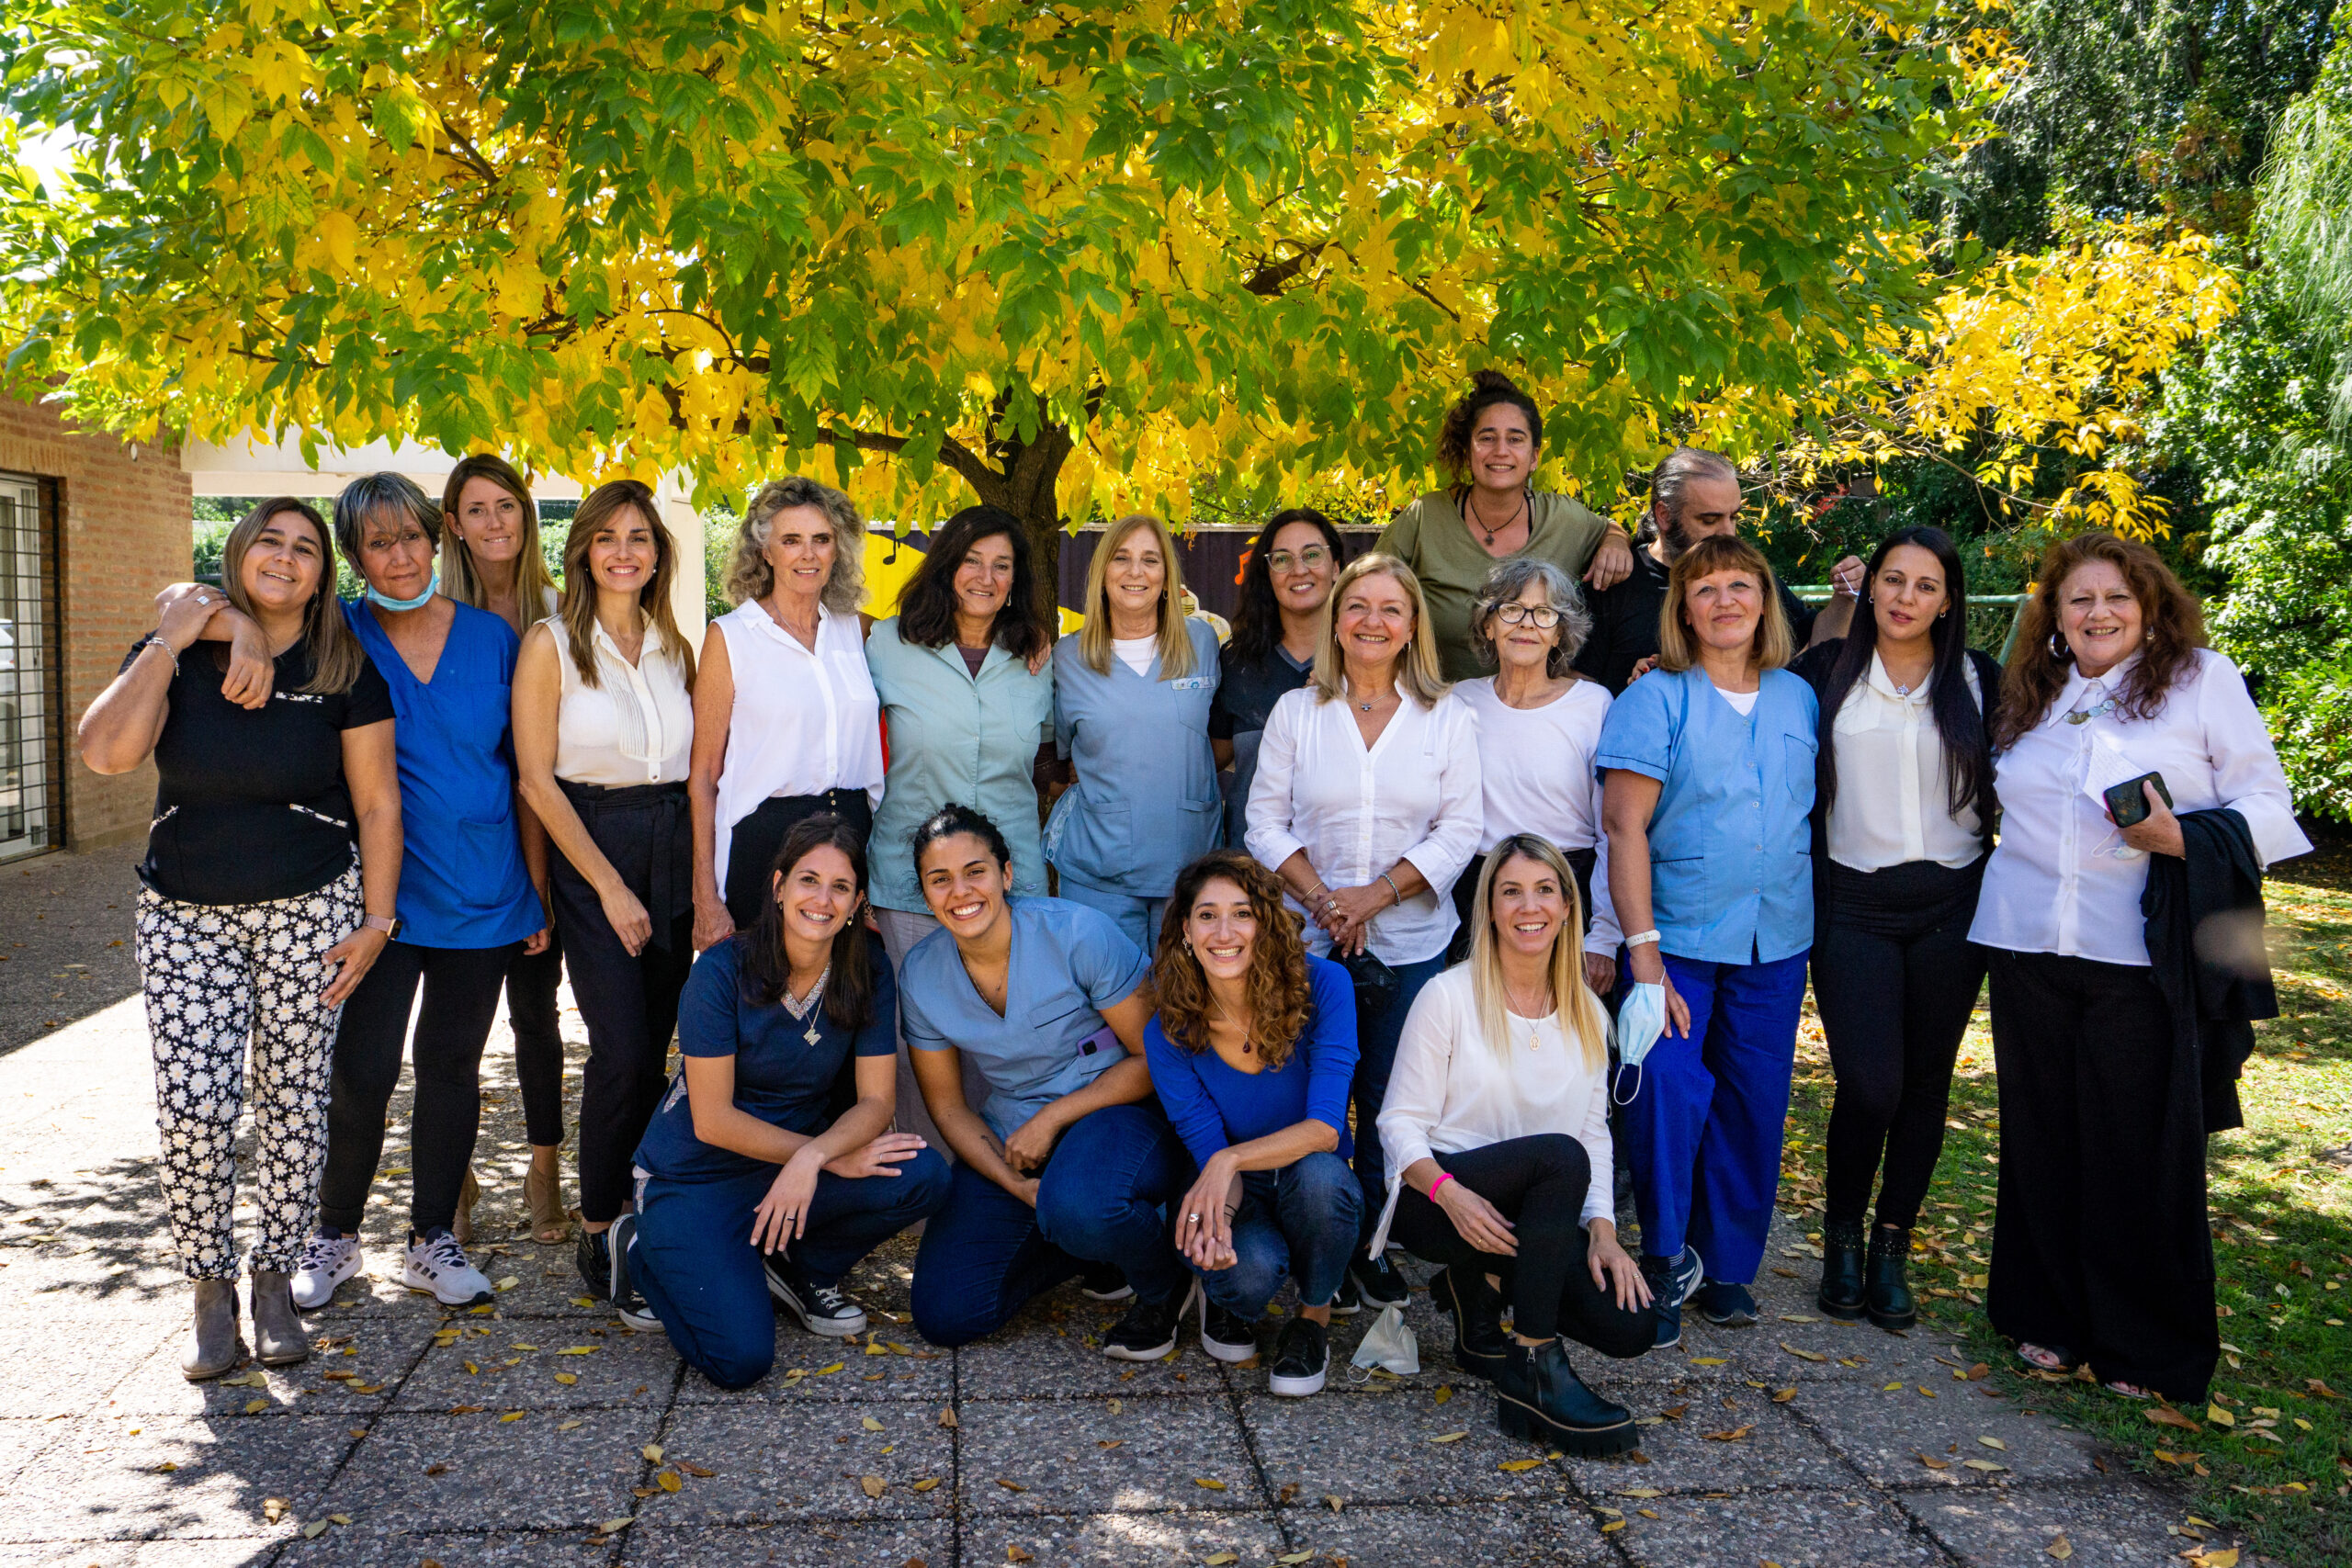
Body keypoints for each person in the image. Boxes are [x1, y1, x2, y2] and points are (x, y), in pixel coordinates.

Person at [173, 475, 542, 1314]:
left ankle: (430, 1240)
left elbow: (525, 768)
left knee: (452, 1065)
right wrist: (240, 627)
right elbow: (190, 600)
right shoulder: (336, 632)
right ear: (354, 556)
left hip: (484, 888)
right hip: (376, 897)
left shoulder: (494, 638)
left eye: (411, 536)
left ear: (435, 539)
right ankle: (334, 1234)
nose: (400, 556)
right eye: (378, 542)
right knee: (361, 1069)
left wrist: (538, 888)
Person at [1972, 532, 2308, 1402]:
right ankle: (2048, 1315)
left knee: (2138, 1148)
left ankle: (2143, 1346)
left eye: (2116, 596)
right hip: (2027, 942)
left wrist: (2182, 838)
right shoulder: (2032, 691)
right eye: (2078, 599)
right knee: (2042, 1137)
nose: (2099, 613)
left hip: (2140, 955)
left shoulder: (2201, 680)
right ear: (2054, 615)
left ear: (2150, 605)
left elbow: (2270, 804)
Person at [78, 500, 400, 1379]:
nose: (286, 558)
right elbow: (105, 753)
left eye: (306, 549)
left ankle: (273, 1280)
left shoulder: (344, 665)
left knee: (295, 1102)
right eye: (270, 540)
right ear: (238, 551)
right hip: (183, 914)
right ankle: (209, 1288)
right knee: (195, 1109)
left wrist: (377, 921)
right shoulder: (180, 646)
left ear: (322, 575)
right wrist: (177, 638)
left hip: (311, 909)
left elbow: (377, 802)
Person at [616, 816, 949, 1387]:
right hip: (694, 1177)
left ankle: (797, 1267)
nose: (822, 900)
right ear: (778, 886)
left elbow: (876, 1101)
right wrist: (821, 1157)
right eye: (808, 880)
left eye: (840, 887)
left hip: (791, 1169)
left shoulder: (867, 967)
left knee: (921, 1173)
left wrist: (814, 1158)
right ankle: (642, 1252)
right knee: (741, 1360)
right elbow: (712, 1120)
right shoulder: (721, 971)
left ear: (857, 903)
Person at [1244, 552, 1481, 1308]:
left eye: (1390, 608)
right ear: (1337, 620)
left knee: (1392, 1098)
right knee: (1308, 1091)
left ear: (1412, 627)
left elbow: (1462, 829)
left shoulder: (1448, 718)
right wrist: (1325, 902)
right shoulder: (1297, 713)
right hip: (1307, 947)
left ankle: (1374, 1243)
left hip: (1411, 946)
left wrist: (1375, 896)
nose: (1372, 621)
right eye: (1358, 606)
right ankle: (1314, 1234)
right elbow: (1263, 822)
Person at [1598, 534, 1816, 1348]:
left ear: (1765, 600)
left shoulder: (1799, 698)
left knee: (1752, 1101)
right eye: (1706, 588)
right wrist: (1644, 953)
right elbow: (1624, 826)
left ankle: (1725, 1266)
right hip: (1676, 939)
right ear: (1683, 609)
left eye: (1741, 585)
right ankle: (1663, 1255)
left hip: (1775, 938)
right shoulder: (1655, 698)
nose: (1726, 601)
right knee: (1665, 1088)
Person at [1374, 838, 1653, 1451]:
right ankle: (1533, 1367)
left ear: (1567, 907)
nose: (1530, 906)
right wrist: (1449, 1193)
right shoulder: (1447, 996)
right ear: (1491, 909)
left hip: (1530, 1217)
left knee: (1633, 1325)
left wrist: (1604, 1232)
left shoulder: (1587, 1012)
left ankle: (1477, 1288)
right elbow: (1397, 1123)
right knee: (1558, 1158)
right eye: (1511, 891)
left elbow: (1593, 1133)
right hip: (1438, 1203)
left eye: (1545, 890)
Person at [1787, 526, 2000, 1330]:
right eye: (1893, 579)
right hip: (1853, 906)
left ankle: (1890, 1245)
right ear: (1869, 584)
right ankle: (1842, 1234)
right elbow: (1742, 699)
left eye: (1926, 584)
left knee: (1925, 1084)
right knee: (1871, 1082)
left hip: (1954, 906)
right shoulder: (1824, 672)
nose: (1906, 597)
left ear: (1947, 600)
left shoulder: (1979, 680)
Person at [899, 807, 1197, 1355]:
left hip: (1119, 1111)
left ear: (1007, 874)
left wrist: (1053, 1118)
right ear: (924, 894)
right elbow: (948, 1108)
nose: (960, 891)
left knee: (1082, 1206)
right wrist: (1013, 1184)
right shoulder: (920, 973)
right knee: (947, 1313)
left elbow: (1155, 1059)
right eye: (939, 879)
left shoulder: (1078, 933)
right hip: (1014, 1131)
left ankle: (1165, 1283)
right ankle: (1088, 1242)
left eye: (975, 871)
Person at [514, 479, 698, 1301]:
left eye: (639, 537)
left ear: (658, 553)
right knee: (620, 1050)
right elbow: (535, 781)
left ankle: (640, 1212)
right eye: (607, 537)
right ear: (583, 549)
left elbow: (699, 768)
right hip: (594, 848)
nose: (624, 551)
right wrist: (611, 888)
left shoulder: (675, 644)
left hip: (672, 842)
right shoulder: (551, 643)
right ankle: (596, 1227)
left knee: (657, 1048)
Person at [864, 505, 1054, 1147]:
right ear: (946, 565)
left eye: (1002, 565)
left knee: (1008, 1033)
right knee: (920, 1035)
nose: (985, 577)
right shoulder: (886, 645)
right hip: (909, 880)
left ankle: (1003, 1172)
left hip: (1010, 881)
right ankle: (930, 1177)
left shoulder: (1035, 659)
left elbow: (1053, 755)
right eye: (972, 560)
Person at [1145, 852, 1361, 1395]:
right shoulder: (1169, 1030)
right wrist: (1217, 1225)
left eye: (1242, 914)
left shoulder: (1325, 986)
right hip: (1239, 1187)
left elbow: (1326, 1130)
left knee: (1321, 1179)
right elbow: (1209, 1150)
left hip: (1311, 1172)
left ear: (1265, 924)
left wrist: (1229, 1158)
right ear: (1186, 931)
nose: (1224, 933)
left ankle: (1314, 1317)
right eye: (1207, 915)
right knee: (1244, 1276)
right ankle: (1216, 1293)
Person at [439, 453, 570, 1245]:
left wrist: (544, 876)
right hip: (457, 845)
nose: (495, 522)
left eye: (508, 506)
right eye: (478, 509)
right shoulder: (432, 615)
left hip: (547, 832)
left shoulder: (561, 608)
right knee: (453, 1022)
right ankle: (452, 1170)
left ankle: (544, 1166)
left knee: (536, 1013)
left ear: (527, 514)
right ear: (454, 524)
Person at [690, 476, 883, 945]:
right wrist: (705, 896)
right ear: (765, 551)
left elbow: (935, 634)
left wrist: (1025, 638)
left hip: (851, 842)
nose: (808, 554)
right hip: (765, 845)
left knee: (847, 984)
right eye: (791, 540)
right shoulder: (730, 637)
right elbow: (704, 775)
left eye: (822, 539)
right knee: (763, 983)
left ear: (838, 550)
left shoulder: (859, 631)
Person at [1374, 370, 1634, 682]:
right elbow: (1368, 588)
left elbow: (1610, 528)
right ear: (1467, 451)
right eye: (1486, 438)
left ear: (1534, 457)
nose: (1500, 450)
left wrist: (1616, 541)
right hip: (1435, 699)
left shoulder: (1564, 519)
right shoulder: (1425, 517)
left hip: (1536, 703)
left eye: (1515, 439)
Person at [1046, 512, 1224, 950]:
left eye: (1150, 560)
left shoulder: (1202, 643)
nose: (1135, 572)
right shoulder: (1067, 657)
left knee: (1184, 989)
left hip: (1189, 866)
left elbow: (1218, 734)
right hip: (1098, 869)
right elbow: (1056, 756)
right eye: (1121, 558)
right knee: (1106, 988)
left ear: (1167, 577)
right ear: (1102, 572)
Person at [1451, 558, 1623, 981]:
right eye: (1511, 609)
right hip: (1477, 894)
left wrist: (1603, 936)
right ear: (1488, 624)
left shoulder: (1594, 704)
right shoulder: (1456, 702)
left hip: (1568, 890)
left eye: (1544, 613)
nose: (1527, 624)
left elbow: (1612, 831)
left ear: (1560, 632)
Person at [1574, 446, 1861, 695]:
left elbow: (1817, 646)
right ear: (1664, 515)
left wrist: (1845, 596)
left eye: (1733, 517)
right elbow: (1577, 691)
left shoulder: (1748, 575)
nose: (1727, 533)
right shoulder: (1613, 582)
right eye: (1709, 520)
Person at [1210, 509, 1346, 849]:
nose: (1299, 569)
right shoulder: (1236, 663)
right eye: (1282, 559)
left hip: (1340, 868)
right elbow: (1207, 761)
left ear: (1336, 567)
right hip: (1250, 868)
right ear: (1267, 575)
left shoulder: (1367, 664)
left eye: (1312, 554)